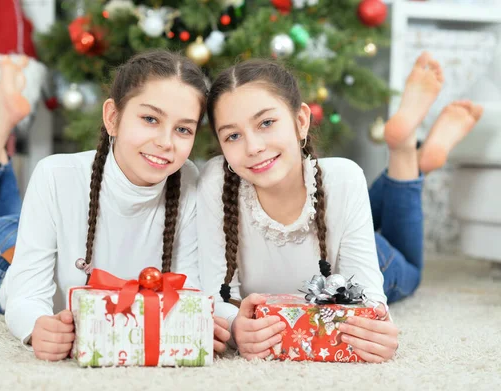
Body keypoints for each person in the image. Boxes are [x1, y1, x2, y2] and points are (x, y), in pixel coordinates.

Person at [0, 42, 230, 361]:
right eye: (150, 119)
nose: (166, 142)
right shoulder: (56, 174)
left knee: (25, 223)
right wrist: (36, 326)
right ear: (112, 117)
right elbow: (26, 295)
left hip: (41, 235)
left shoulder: (190, 180)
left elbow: (190, 287)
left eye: (182, 129)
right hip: (0, 258)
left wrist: (210, 321)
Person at [198, 52, 482, 362]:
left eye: (266, 123)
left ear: (301, 121)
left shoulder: (343, 179)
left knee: (410, 273)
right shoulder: (216, 181)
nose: (253, 147)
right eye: (233, 135)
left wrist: (378, 328)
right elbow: (214, 296)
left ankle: (404, 154)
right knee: (345, 193)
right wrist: (237, 326)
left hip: (346, 264)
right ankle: (414, 165)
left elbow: (372, 301)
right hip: (331, 216)